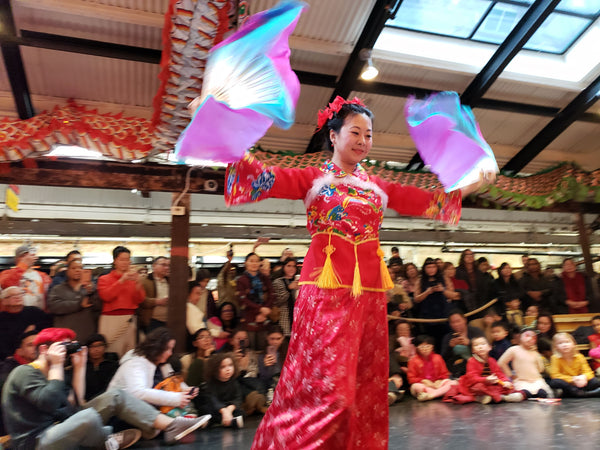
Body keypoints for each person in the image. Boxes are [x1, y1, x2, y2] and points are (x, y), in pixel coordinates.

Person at [223, 96, 492, 449]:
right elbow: (261, 178)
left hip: (369, 297)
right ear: (333, 136)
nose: (364, 141)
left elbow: (425, 201)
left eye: (368, 134)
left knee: (364, 388)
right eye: (355, 132)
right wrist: (223, 133)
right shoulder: (312, 178)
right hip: (326, 295)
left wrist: (474, 183)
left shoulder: (376, 186)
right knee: (331, 394)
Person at [1, 327, 211, 449]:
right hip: (36, 442)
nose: (67, 352)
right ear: (45, 349)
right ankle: (107, 440)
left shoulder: (56, 374)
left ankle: (172, 426)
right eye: (64, 346)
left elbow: (74, 405)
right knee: (88, 417)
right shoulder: (24, 372)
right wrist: (57, 366)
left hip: (60, 427)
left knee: (115, 396)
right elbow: (48, 403)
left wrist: (79, 368)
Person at [107, 327, 198, 411]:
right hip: (120, 410)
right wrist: (176, 398)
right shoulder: (135, 362)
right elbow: (138, 393)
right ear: (157, 347)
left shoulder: (162, 364)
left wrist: (186, 390)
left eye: (171, 349)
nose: (170, 353)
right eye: (167, 349)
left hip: (144, 409)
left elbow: (173, 380)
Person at [443, 335, 524, 404]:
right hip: (475, 384)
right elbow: (472, 377)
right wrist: (485, 379)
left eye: (483, 344)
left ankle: (491, 397)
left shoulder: (492, 360)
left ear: (489, 347)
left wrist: (505, 381)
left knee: (507, 385)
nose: (480, 347)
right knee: (479, 387)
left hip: (490, 383)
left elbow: (499, 373)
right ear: (473, 350)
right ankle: (500, 397)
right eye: (476, 345)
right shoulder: (472, 361)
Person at [97, 246, 145, 356]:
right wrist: (121, 280)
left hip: (130, 318)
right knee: (112, 352)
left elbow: (139, 299)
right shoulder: (104, 279)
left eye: (127, 259)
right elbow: (106, 296)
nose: (125, 262)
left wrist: (138, 283)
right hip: (110, 319)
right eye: (122, 259)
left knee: (132, 354)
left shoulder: (133, 279)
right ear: (115, 261)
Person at [47, 259, 99, 343]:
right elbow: (54, 307)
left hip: (87, 337)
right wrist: (79, 304)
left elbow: (99, 307)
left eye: (80, 268)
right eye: (73, 268)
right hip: (65, 338)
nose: (77, 270)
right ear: (67, 271)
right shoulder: (58, 289)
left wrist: (92, 293)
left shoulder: (91, 288)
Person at [0, 330, 38, 435]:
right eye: (30, 345)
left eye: (38, 343)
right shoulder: (9, 369)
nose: (36, 347)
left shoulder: (44, 365)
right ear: (19, 351)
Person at [497, 328, 552, 398]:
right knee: (524, 394)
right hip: (521, 381)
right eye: (527, 336)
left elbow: (541, 369)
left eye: (533, 337)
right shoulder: (514, 349)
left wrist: (537, 355)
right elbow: (501, 362)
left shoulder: (535, 353)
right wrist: (510, 375)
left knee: (543, 394)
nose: (530, 339)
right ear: (520, 337)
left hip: (537, 380)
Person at [0, 286, 51, 360]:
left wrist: (34, 327)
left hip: (37, 354)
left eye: (20, 294)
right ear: (4, 301)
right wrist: (8, 356)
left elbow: (48, 326)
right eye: (13, 296)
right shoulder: (2, 318)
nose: (17, 297)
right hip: (10, 358)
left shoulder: (34, 311)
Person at [236, 253, 273, 351]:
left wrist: (265, 310)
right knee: (249, 349)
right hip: (249, 319)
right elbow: (243, 300)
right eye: (251, 261)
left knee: (264, 348)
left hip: (264, 319)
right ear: (245, 263)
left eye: (256, 261)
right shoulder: (241, 280)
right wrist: (260, 309)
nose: (254, 263)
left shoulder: (265, 278)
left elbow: (271, 295)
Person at [413, 257, 452, 347]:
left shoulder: (444, 278)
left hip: (443, 313)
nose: (431, 270)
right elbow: (416, 299)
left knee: (444, 339)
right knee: (430, 340)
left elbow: (453, 295)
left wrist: (443, 290)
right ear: (424, 269)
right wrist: (427, 292)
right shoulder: (420, 280)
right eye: (428, 267)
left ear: (436, 268)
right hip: (427, 314)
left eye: (433, 267)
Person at [549, 332, 600, 398]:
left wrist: (584, 377)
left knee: (594, 381)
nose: (564, 345)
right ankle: (581, 393)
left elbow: (589, 372)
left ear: (573, 344)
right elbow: (554, 374)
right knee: (555, 382)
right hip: (568, 384)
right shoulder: (555, 358)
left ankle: (578, 393)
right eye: (560, 343)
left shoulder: (579, 356)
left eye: (567, 342)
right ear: (556, 347)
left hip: (580, 382)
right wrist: (573, 379)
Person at [0, 244, 51, 310]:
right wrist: (23, 265)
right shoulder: (7, 273)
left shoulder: (43, 276)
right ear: (19, 257)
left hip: (39, 315)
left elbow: (49, 296)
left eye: (33, 254)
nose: (33, 256)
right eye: (24, 255)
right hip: (15, 315)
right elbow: (6, 285)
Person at [407, 335, 457, 401]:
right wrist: (423, 381)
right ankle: (440, 393)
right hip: (423, 385)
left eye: (428, 346)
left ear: (432, 347)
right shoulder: (413, 360)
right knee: (416, 386)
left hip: (437, 384)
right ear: (417, 347)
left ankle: (431, 395)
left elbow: (445, 374)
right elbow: (411, 378)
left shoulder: (438, 357)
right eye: (422, 346)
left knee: (454, 383)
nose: (425, 349)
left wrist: (439, 381)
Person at [201, 353, 244, 429]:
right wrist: (224, 411)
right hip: (216, 408)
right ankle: (224, 421)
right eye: (223, 367)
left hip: (228, 407)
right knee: (206, 410)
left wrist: (229, 410)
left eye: (230, 365)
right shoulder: (211, 384)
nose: (228, 369)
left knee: (240, 412)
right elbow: (213, 400)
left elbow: (238, 398)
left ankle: (224, 421)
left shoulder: (234, 382)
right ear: (215, 370)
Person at [441, 311, 484, 378]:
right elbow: (443, 359)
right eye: (453, 322)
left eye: (458, 321)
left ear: (465, 320)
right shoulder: (448, 337)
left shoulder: (475, 331)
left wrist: (470, 343)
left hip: (478, 366)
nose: (456, 324)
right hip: (457, 369)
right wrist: (450, 347)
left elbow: (485, 350)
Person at [84, 333, 119, 401]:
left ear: (105, 347)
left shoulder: (113, 365)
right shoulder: (83, 366)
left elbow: (111, 386)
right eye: (92, 346)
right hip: (85, 402)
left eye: (99, 345)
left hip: (106, 400)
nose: (96, 349)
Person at [140, 256, 170, 332]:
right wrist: (157, 301)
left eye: (168, 265)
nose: (166, 268)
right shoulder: (145, 281)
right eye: (163, 265)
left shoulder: (170, 281)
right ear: (154, 266)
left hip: (169, 321)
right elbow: (141, 300)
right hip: (152, 321)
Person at [271, 257, 299, 337]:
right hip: (284, 319)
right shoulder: (278, 282)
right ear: (283, 267)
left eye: (294, 266)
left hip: (298, 319)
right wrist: (289, 288)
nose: (291, 268)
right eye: (289, 266)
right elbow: (278, 301)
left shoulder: (300, 281)